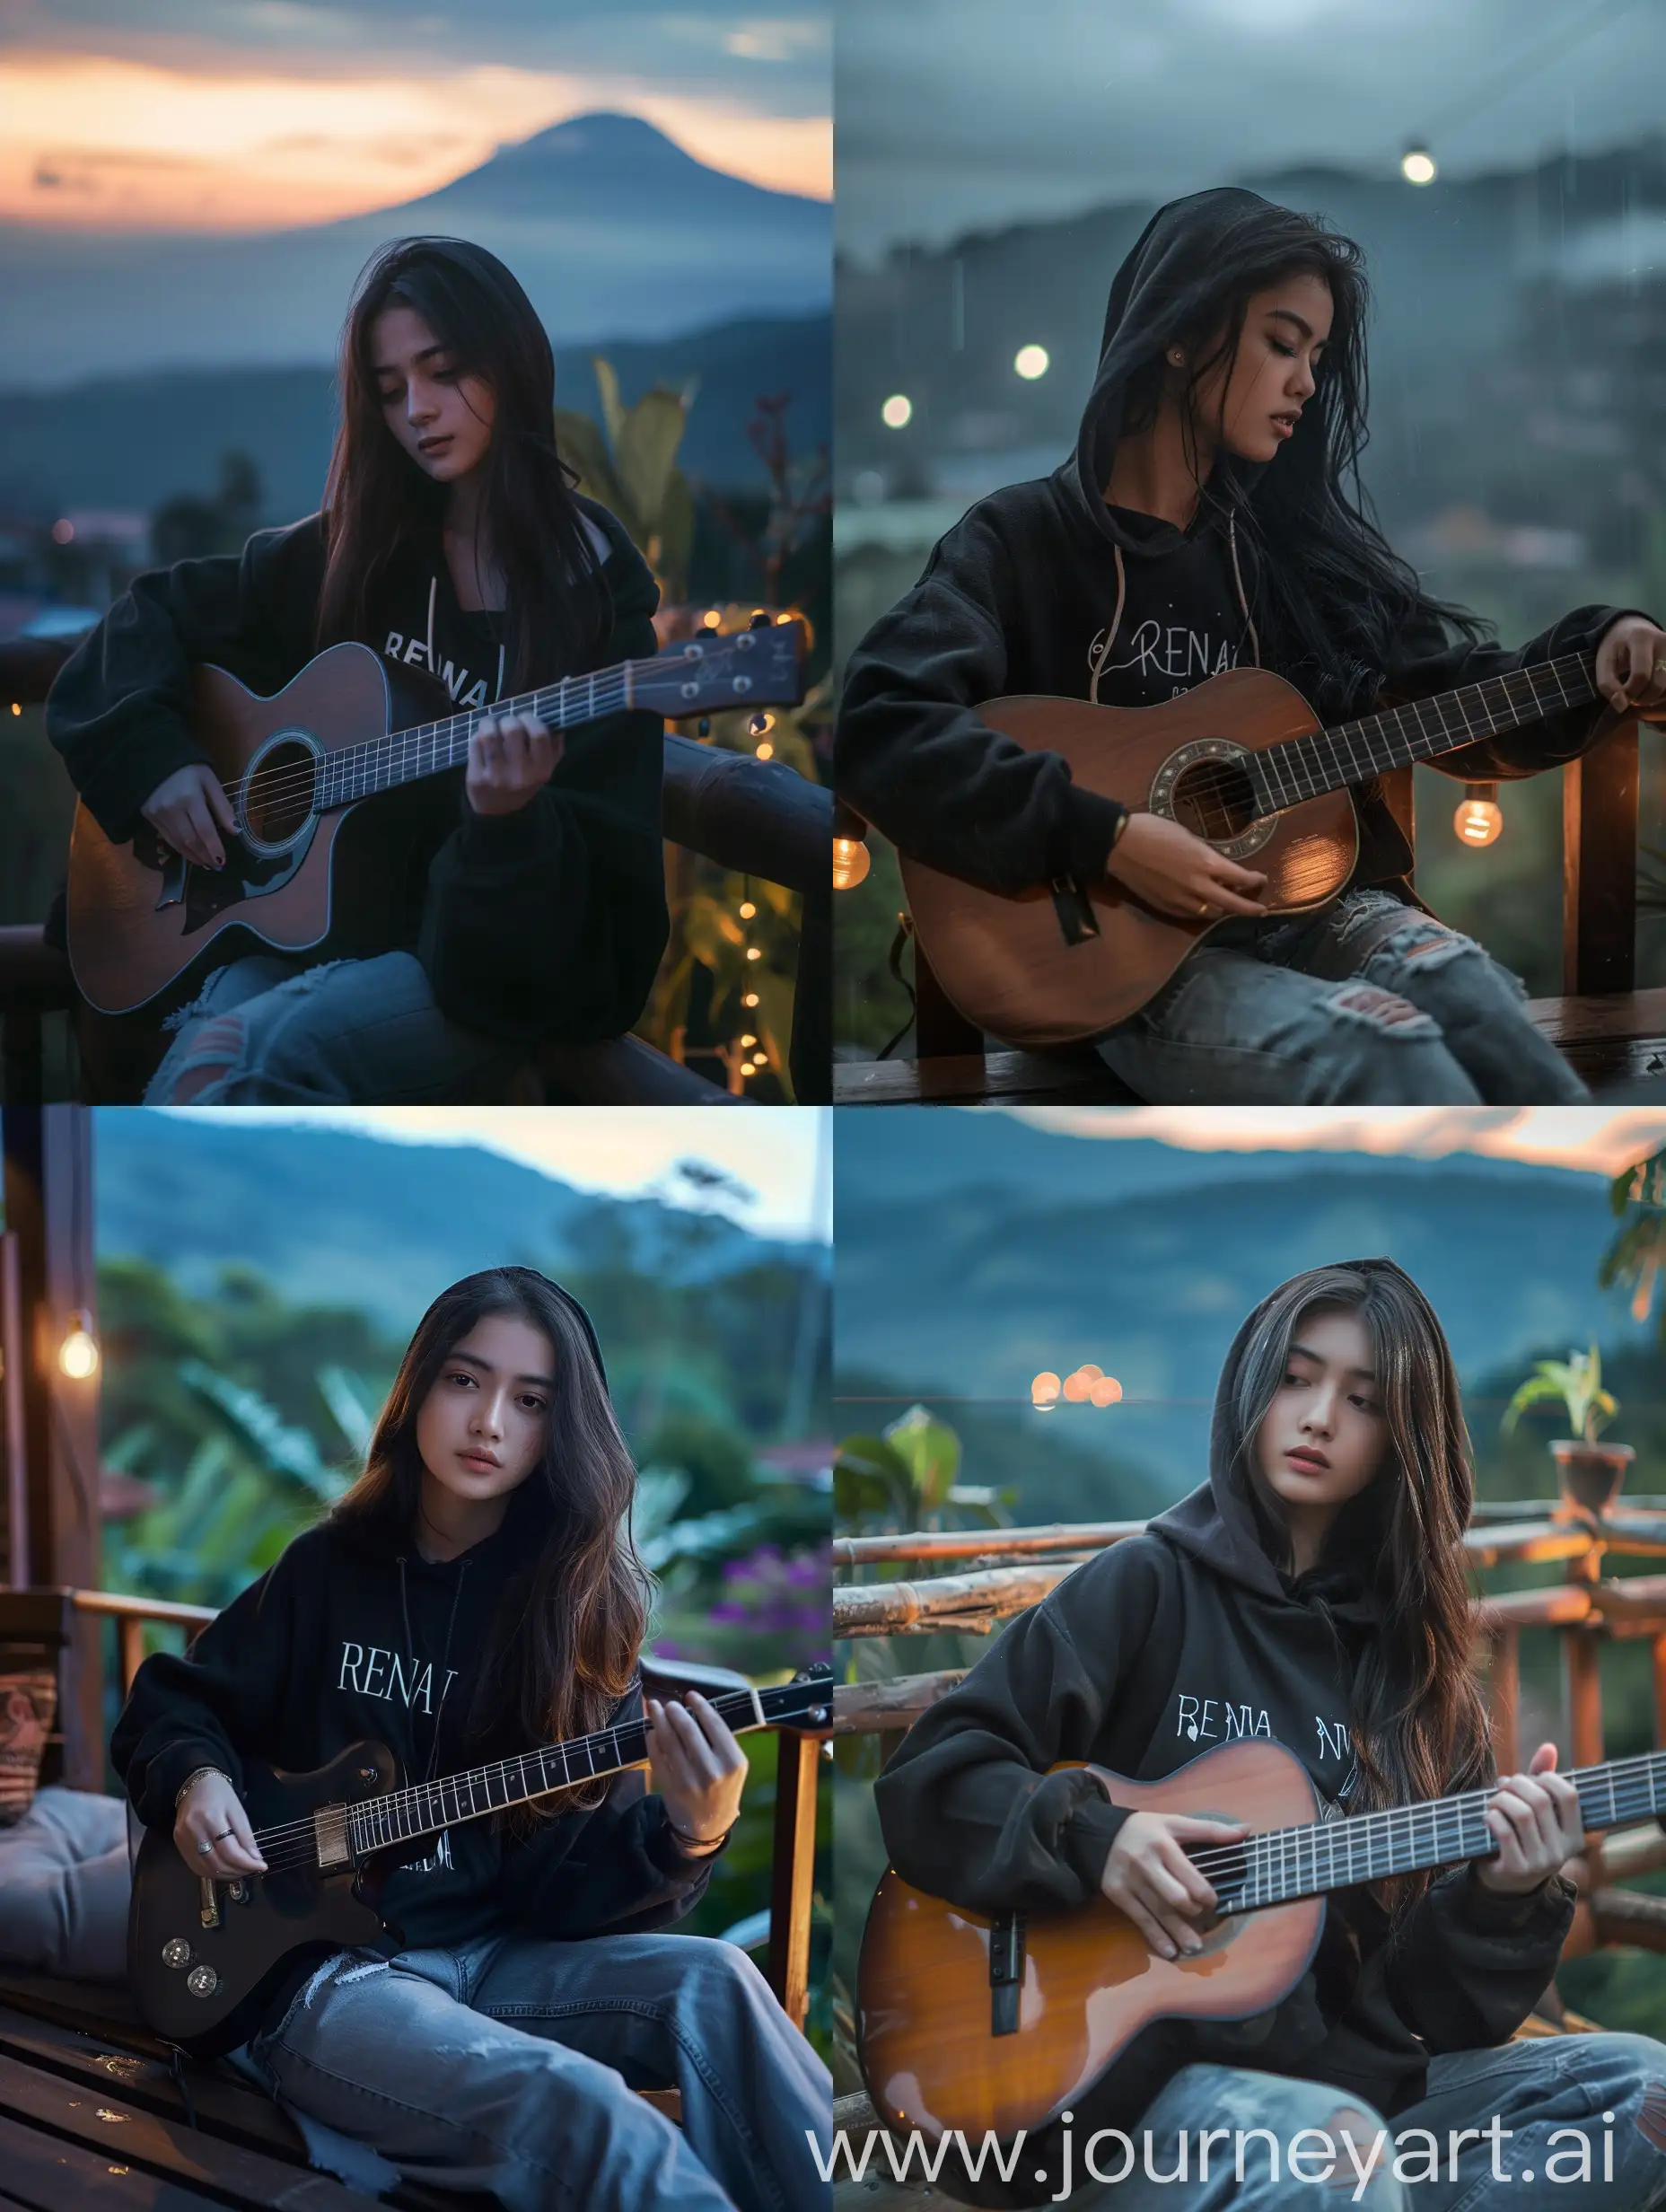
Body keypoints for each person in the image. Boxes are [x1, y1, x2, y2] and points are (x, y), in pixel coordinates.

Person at [835, 189, 1666, 1104]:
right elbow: (880, 722)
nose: (1306, 383)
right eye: (1281, 343)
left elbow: (1462, 694)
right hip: (1139, 961)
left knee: (1467, 992)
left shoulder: (1293, 557)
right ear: (1182, 332)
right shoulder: (1020, 542)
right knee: (1380, 1053)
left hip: (1324, 911)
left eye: (1315, 354)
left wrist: (1600, 647)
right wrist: (1105, 837)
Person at [872, 1259, 1666, 2210]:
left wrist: (1501, 1893)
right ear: (1254, 1385)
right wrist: (1100, 1838)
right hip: (1117, 2108)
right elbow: (935, 1776)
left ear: (1404, 1439)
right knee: (1334, 2158)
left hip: (1348, 2095)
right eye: (1295, 1377)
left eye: (1361, 1398)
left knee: (1641, 2092)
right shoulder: (1145, 1586)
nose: (1318, 1414)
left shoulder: (1422, 1681)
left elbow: (1433, 2012)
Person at [112, 1266, 830, 2212]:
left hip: (492, 1959)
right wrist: (196, 1777)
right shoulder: (328, 1568)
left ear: (560, 1427)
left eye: (529, 1400)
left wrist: (685, 1835)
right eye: (465, 1380)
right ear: (418, 1391)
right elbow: (175, 1699)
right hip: (316, 1970)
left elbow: (565, 1886)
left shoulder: (575, 1618)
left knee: (721, 1986)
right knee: (584, 2109)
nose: (489, 1420)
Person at [47, 237, 669, 1104]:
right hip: (320, 939)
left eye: (443, 371)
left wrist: (507, 827)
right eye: (389, 389)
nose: (417, 409)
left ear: (512, 364)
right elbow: (145, 616)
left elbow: (609, 931)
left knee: (246, 1059)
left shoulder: (590, 605)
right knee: (212, 1044)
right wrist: (156, 758)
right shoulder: (366, 549)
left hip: (466, 972)